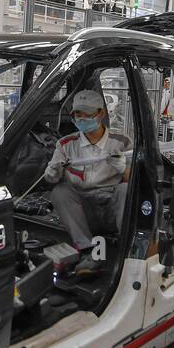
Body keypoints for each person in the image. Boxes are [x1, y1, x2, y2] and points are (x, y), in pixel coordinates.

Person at [44, 89, 131, 275]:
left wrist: (123, 169)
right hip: (82, 213)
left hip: (112, 210)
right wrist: (53, 170)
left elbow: (139, 183)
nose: (82, 119)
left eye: (87, 114)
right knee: (60, 191)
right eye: (78, 114)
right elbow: (50, 180)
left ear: (101, 113)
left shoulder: (122, 142)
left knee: (126, 189)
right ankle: (87, 251)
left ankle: (128, 250)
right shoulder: (65, 144)